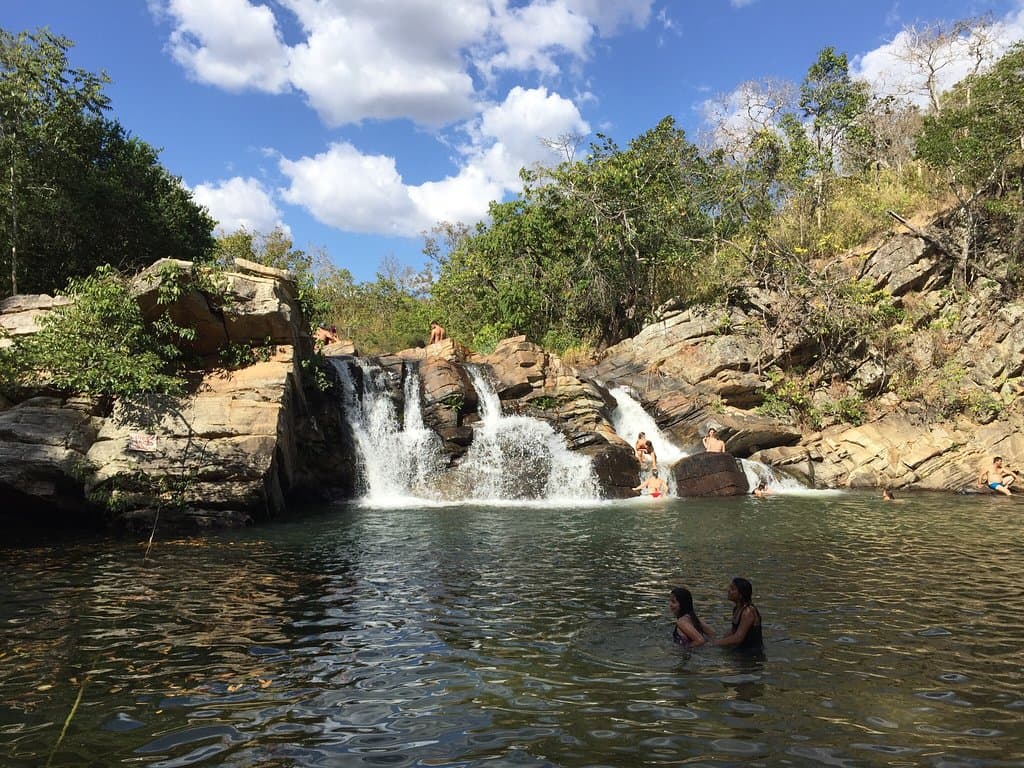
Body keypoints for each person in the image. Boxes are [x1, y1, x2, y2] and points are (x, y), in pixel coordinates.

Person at [713, 577, 763, 651]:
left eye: (732, 589)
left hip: (751, 654)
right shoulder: (737, 609)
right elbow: (734, 631)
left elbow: (738, 638)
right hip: (740, 650)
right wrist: (720, 638)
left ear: (741, 595)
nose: (729, 590)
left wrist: (714, 644)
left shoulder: (748, 612)